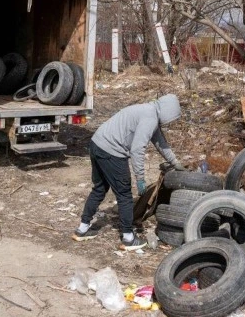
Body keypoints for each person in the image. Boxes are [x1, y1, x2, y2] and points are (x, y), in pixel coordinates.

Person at [73, 93, 184, 250]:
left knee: (99, 189)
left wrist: (175, 162)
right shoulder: (150, 118)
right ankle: (128, 238)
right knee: (124, 194)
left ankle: (82, 229)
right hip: (112, 151)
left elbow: (160, 142)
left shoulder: (149, 111)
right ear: (168, 111)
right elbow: (137, 149)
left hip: (97, 144)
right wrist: (140, 178)